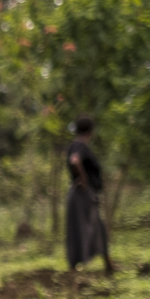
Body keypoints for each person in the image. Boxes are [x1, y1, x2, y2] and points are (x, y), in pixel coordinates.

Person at [65, 115, 114, 275]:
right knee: (89, 228)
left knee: (91, 228)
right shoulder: (80, 146)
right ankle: (75, 269)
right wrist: (84, 180)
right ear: (90, 131)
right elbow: (75, 161)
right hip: (82, 195)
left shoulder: (75, 145)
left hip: (81, 195)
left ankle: (108, 265)